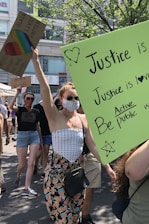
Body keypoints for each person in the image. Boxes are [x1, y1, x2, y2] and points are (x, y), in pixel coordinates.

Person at [31, 48, 116, 223]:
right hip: (55, 173)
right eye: (70, 98)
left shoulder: (84, 119)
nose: (74, 101)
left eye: (76, 98)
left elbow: (92, 145)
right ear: (61, 99)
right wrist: (36, 61)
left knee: (75, 215)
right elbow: (45, 89)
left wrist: (107, 167)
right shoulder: (54, 116)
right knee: (64, 218)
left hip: (76, 173)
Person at [9, 88, 41, 196]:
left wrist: (40, 140)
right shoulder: (20, 110)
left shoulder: (36, 112)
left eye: (32, 99)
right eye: (28, 98)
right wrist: (17, 93)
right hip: (22, 136)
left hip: (34, 135)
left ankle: (27, 188)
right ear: (24, 99)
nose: (30, 100)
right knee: (22, 164)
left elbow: (37, 126)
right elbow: (10, 106)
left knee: (31, 163)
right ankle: (18, 175)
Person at [33, 100, 51, 175]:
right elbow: (35, 121)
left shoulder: (51, 106)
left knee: (46, 151)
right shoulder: (36, 107)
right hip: (38, 133)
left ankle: (44, 170)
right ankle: (35, 164)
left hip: (48, 132)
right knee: (39, 152)